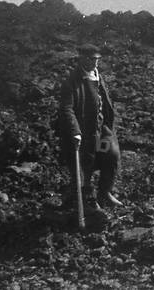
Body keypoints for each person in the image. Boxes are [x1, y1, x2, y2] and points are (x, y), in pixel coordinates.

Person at [57, 43, 122, 211]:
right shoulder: (71, 82)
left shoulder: (97, 75)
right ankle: (87, 202)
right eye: (91, 59)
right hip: (85, 132)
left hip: (102, 131)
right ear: (82, 59)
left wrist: (108, 124)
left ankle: (105, 192)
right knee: (85, 165)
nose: (95, 63)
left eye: (97, 59)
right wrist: (75, 131)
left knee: (111, 155)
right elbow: (66, 108)